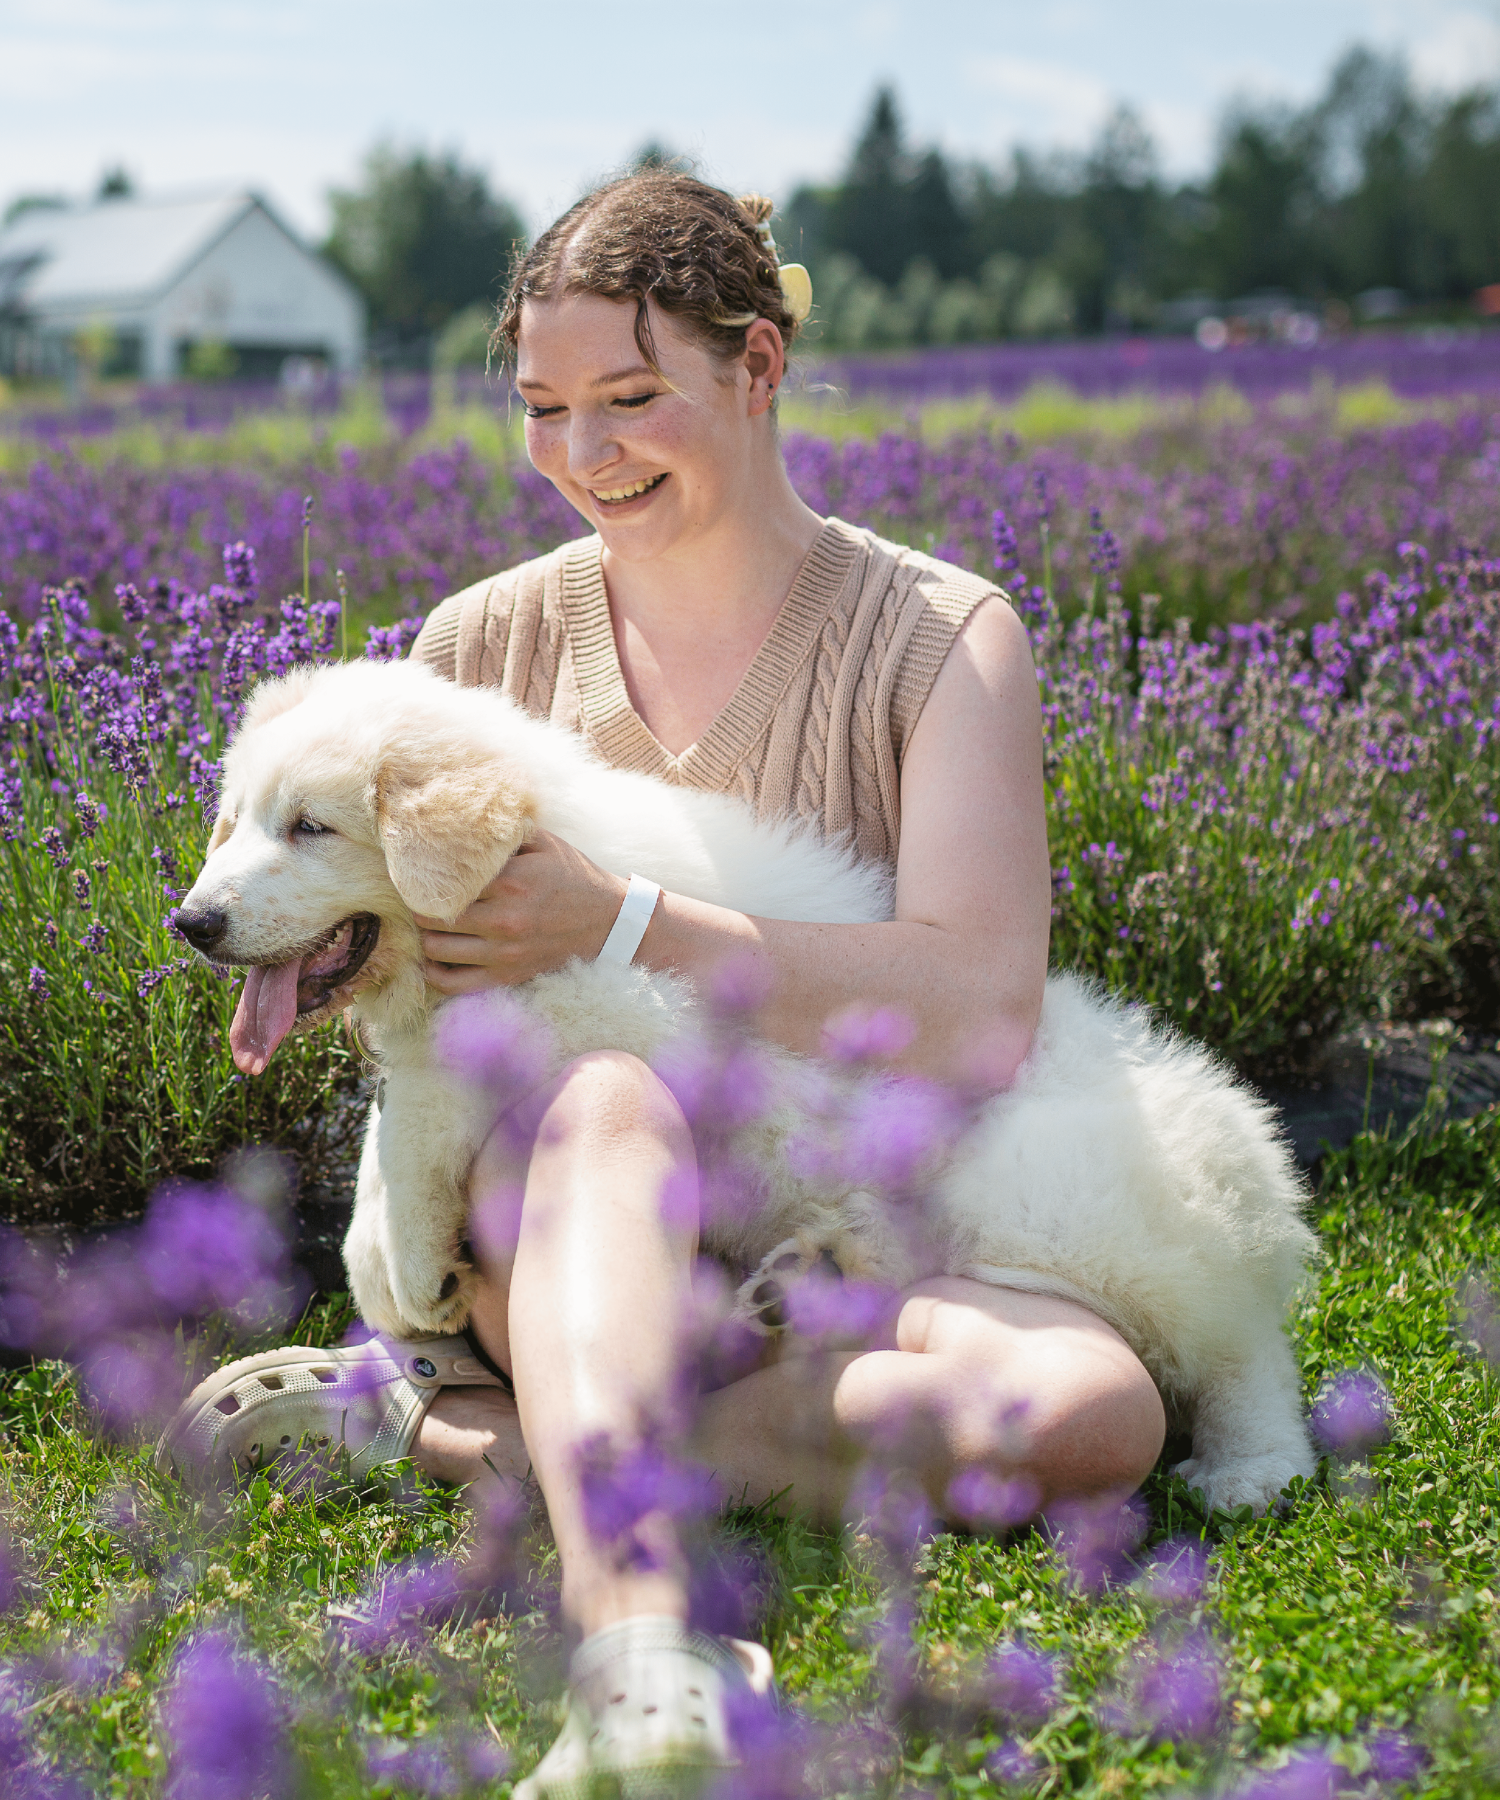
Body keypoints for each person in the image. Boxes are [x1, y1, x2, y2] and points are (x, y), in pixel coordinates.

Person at [161, 173, 1165, 1796]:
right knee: (614, 1093)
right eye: (544, 407)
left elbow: (979, 1009)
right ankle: (643, 1659)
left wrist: (622, 922)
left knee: (1093, 1416)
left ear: (758, 367)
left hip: (844, 1214)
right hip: (577, 1205)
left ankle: (440, 1429)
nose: (582, 454)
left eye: (632, 400)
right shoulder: (475, 653)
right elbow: (407, 1001)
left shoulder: (938, 638)